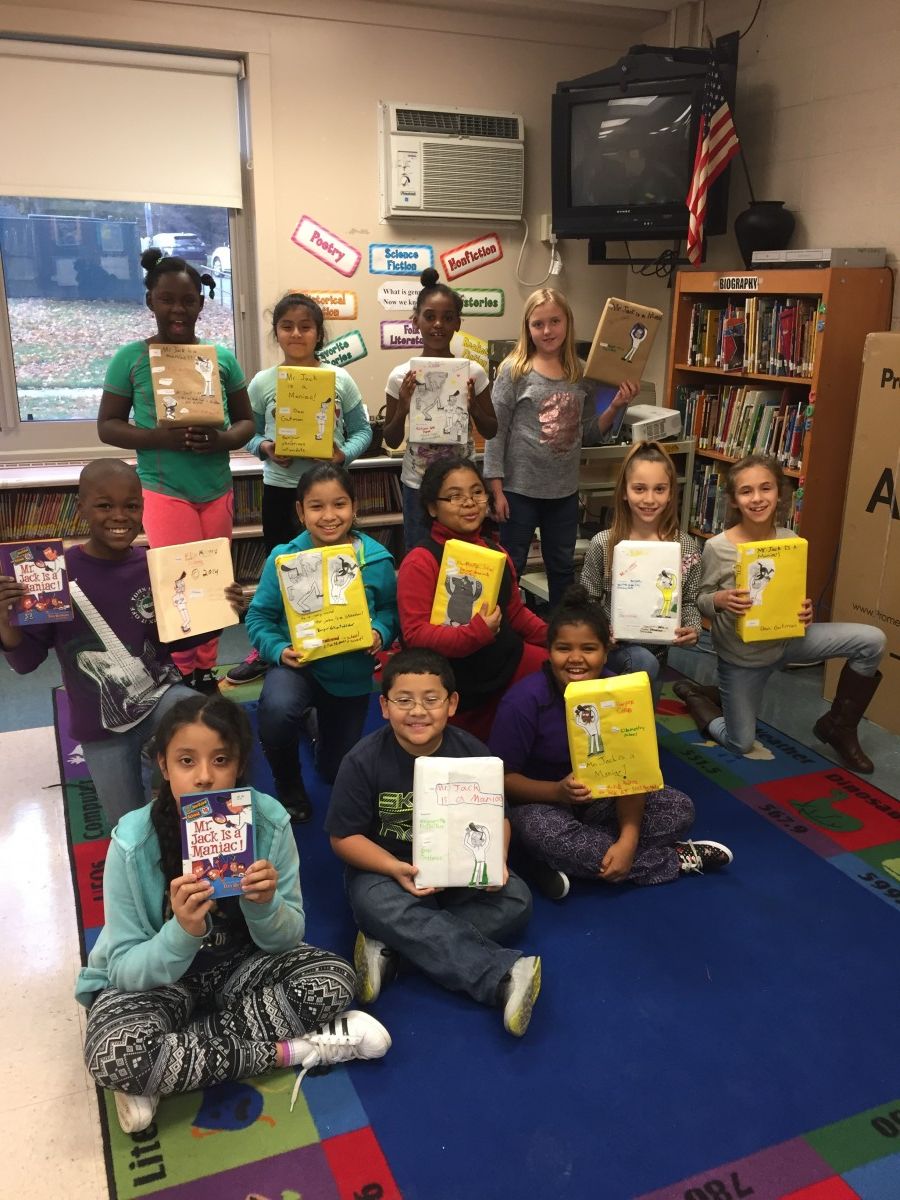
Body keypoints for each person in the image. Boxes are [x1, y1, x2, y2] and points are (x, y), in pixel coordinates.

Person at [75, 693, 391, 1135]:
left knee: (335, 979)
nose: (204, 777)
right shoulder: (132, 842)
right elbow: (125, 970)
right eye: (187, 761)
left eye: (220, 759)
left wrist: (265, 906)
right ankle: (296, 1051)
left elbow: (288, 937)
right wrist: (181, 932)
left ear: (239, 765)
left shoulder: (268, 820)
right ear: (164, 768)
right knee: (112, 1054)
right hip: (163, 984)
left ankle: (168, 1062)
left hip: (240, 972)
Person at [0, 460, 233, 824]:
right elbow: (26, 661)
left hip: (159, 695)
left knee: (211, 724)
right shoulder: (55, 575)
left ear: (144, 507)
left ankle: (211, 828)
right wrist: (6, 621)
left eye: (131, 505)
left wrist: (219, 611)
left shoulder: (154, 566)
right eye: (105, 505)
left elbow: (175, 641)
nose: (119, 516)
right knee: (127, 828)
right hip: (101, 721)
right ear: (81, 509)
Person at [325, 648, 541, 1037]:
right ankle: (502, 976)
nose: (418, 711)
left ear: (452, 704)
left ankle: (392, 951)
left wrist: (497, 859)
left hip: (458, 871)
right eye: (404, 700)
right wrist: (395, 868)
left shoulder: (472, 752)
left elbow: (500, 817)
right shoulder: (362, 760)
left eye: (431, 699)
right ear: (385, 706)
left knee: (518, 900)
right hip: (388, 871)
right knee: (375, 901)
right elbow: (344, 838)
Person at [490, 586, 733, 900]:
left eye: (589, 649)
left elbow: (631, 773)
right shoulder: (524, 701)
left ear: (606, 651)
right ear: (549, 652)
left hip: (604, 798)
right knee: (540, 832)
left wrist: (628, 840)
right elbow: (502, 781)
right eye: (563, 648)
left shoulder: (619, 694)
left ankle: (561, 861)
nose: (576, 659)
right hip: (541, 802)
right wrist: (557, 791)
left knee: (680, 808)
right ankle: (670, 860)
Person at [97, 248, 255, 692]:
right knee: (179, 583)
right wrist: (160, 438)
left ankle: (205, 665)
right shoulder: (130, 358)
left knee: (215, 580)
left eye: (187, 301)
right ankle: (181, 668)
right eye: (167, 299)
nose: (178, 310)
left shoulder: (220, 358)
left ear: (202, 303)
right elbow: (107, 427)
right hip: (165, 488)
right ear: (150, 301)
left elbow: (246, 422)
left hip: (216, 487)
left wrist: (223, 439)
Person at [674, 454, 886, 773]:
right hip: (742, 658)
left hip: (788, 642)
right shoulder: (718, 547)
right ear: (733, 499)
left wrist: (803, 610)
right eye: (747, 491)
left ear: (779, 493)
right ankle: (697, 697)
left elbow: (788, 596)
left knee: (873, 640)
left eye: (766, 488)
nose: (757, 498)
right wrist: (719, 599)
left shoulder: (790, 540)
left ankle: (839, 727)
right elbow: (698, 599)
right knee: (740, 743)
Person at [227, 292, 372, 685]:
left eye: (305, 327)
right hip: (281, 491)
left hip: (328, 493)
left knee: (335, 571)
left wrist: (343, 457)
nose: (296, 334)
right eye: (287, 326)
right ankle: (270, 647)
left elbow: (364, 431)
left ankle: (339, 637)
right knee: (283, 568)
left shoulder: (340, 380)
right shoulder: (262, 382)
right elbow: (246, 432)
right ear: (276, 332)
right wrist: (265, 448)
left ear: (318, 333)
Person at [246, 464, 398, 822]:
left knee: (333, 771)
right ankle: (288, 784)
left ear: (355, 507)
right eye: (316, 507)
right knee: (278, 710)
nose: (329, 516)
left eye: (339, 505)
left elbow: (391, 611)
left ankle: (313, 724)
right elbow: (257, 618)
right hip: (299, 667)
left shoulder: (375, 561)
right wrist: (278, 650)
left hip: (349, 675)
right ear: (300, 511)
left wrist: (379, 632)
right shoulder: (283, 558)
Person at [483, 287, 639, 610]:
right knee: (512, 568)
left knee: (562, 570)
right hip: (519, 491)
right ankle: (509, 638)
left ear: (567, 323)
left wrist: (616, 406)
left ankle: (561, 639)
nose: (547, 331)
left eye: (555, 321)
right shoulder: (514, 371)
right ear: (527, 328)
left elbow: (588, 431)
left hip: (564, 494)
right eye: (538, 324)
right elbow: (495, 433)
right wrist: (496, 490)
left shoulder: (580, 373)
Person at [396, 457, 548, 742]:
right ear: (432, 507)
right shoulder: (421, 561)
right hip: (456, 679)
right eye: (454, 496)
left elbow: (516, 615)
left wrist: (559, 637)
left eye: (477, 492)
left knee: (572, 673)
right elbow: (415, 635)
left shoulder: (496, 552)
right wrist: (475, 634)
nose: (469, 503)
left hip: (506, 661)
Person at [382, 267, 496, 552]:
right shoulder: (401, 375)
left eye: (447, 318)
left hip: (461, 487)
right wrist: (404, 406)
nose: (438, 325)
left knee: (462, 558)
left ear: (458, 323)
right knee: (420, 556)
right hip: (418, 483)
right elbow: (392, 439)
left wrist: (472, 407)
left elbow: (491, 430)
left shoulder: (474, 372)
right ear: (415, 322)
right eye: (429, 316)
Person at [580, 441, 702, 703]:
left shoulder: (686, 546)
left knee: (641, 731)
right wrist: (602, 629)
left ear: (671, 493)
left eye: (659, 489)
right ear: (624, 491)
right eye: (639, 489)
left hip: (659, 654)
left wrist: (692, 628)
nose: (649, 499)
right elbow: (586, 601)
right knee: (637, 670)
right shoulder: (604, 543)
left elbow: (689, 600)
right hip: (612, 651)